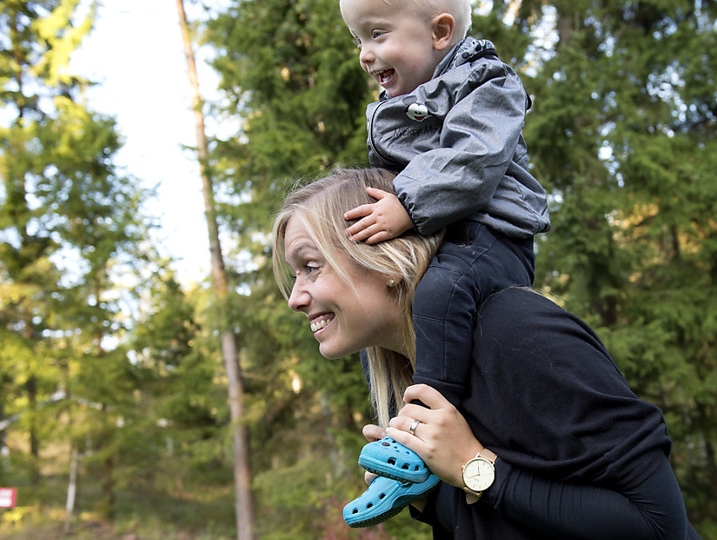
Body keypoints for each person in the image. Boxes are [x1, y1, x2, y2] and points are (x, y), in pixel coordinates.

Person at [272, 168, 700, 539]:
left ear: (384, 256)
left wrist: (472, 465)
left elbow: (658, 525)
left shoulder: (515, 331)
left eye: (311, 266)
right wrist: (427, 489)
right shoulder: (400, 372)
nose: (294, 298)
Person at [338, 0, 551, 411]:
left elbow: (473, 159)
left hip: (492, 236)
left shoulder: (488, 84)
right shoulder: (394, 110)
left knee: (442, 291)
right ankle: (393, 418)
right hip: (442, 239)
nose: (365, 55)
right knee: (373, 307)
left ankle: (428, 419)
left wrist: (406, 204)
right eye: (359, 41)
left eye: (376, 34)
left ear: (439, 31)